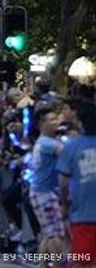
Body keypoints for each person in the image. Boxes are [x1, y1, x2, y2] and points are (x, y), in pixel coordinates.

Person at [57, 100, 96, 266]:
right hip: (83, 215)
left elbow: (63, 182)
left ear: (80, 122)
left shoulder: (72, 147)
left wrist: (64, 204)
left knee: (83, 262)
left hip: (82, 215)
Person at [30, 104, 68, 263]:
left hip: (41, 192)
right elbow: (67, 152)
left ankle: (43, 265)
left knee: (48, 233)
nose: (56, 122)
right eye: (51, 120)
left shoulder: (44, 141)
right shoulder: (47, 143)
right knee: (55, 234)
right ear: (41, 124)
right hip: (44, 194)